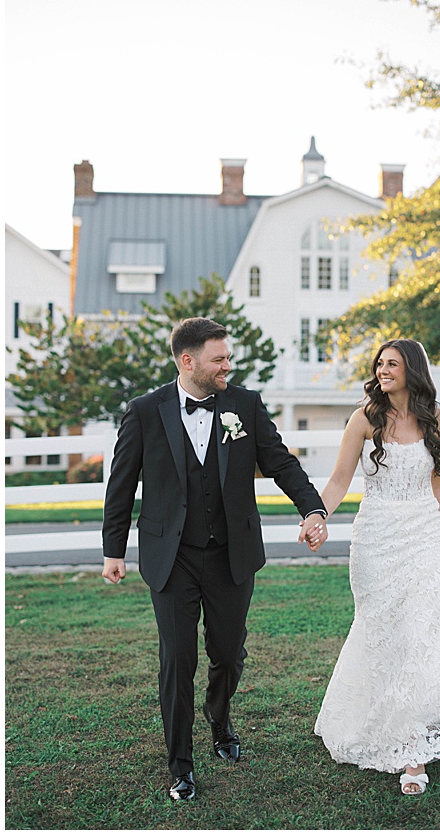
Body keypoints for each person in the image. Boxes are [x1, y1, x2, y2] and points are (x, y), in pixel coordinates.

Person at [102, 317, 328, 802]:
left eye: (228, 358)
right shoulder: (144, 411)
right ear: (188, 361)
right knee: (177, 660)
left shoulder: (245, 405)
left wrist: (312, 508)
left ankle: (219, 716)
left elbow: (281, 461)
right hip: (172, 557)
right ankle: (180, 765)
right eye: (219, 359)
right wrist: (113, 550)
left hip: (231, 553)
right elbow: (120, 484)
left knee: (228, 654)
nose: (228, 366)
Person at [307, 339, 440, 795]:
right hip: (376, 540)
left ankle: (414, 748)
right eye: (379, 364)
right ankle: (378, 718)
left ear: (412, 370)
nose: (383, 370)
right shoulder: (363, 419)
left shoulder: (436, 418)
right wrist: (317, 516)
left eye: (392, 364)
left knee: (421, 634)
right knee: (383, 632)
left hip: (425, 536)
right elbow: (338, 481)